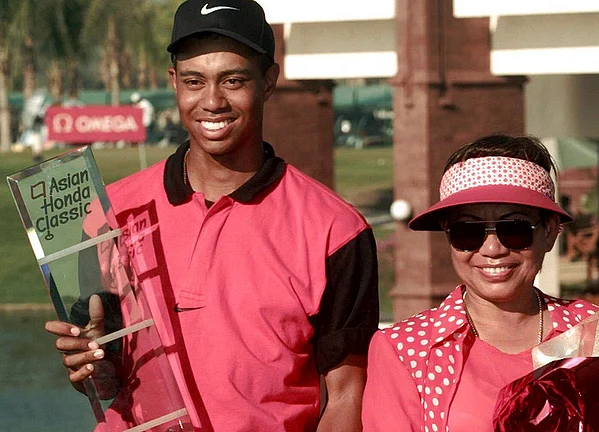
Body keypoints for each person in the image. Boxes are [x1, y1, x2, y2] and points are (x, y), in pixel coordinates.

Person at [44, 0, 379, 430]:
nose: (212, 101)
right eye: (194, 81)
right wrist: (89, 364)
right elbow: (105, 377)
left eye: (233, 80)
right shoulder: (108, 211)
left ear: (269, 81)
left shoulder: (336, 230)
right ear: (174, 83)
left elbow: (347, 394)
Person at [361, 134, 599, 431]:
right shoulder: (403, 351)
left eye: (514, 229)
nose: (492, 248)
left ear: (550, 232)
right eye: (467, 232)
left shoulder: (594, 329)